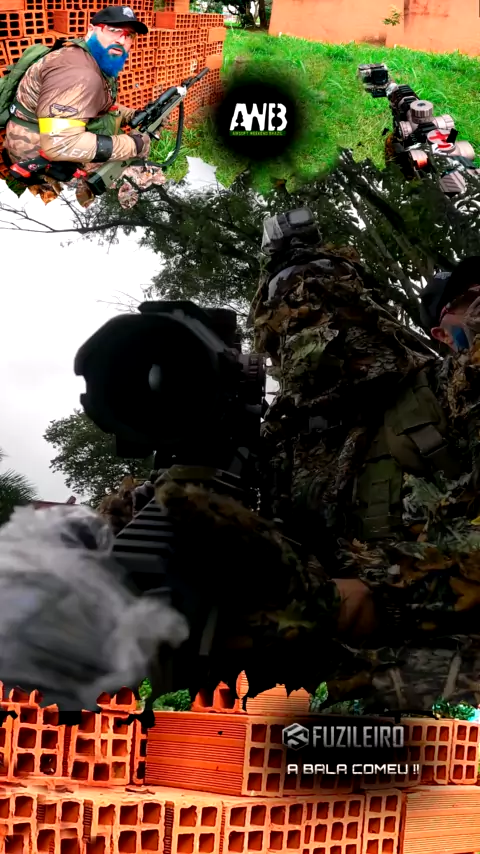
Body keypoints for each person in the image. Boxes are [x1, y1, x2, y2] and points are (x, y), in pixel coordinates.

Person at [240, 230, 480, 712]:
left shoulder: (446, 392)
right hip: (351, 688)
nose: (312, 318)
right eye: (292, 310)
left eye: (330, 298)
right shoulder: (282, 442)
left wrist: (374, 595)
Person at [3, 5, 151, 203]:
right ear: (91, 29)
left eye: (129, 35)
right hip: (37, 155)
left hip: (43, 134)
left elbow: (95, 102)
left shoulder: (88, 56)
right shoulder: (79, 72)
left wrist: (130, 114)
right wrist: (133, 145)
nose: (121, 40)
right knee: (130, 172)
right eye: (114, 30)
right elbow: (60, 144)